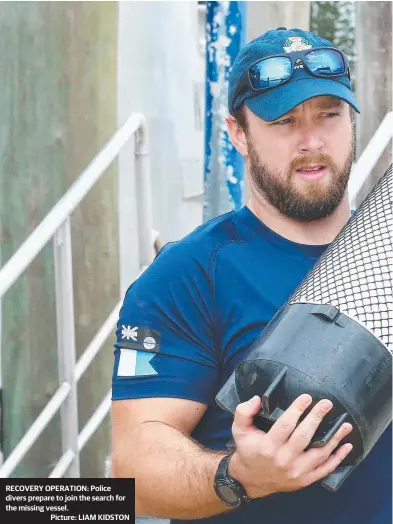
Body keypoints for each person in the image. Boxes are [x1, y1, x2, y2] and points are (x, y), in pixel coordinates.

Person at [111, 27, 391, 524]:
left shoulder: (382, 254)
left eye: (329, 115)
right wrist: (238, 476)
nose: (311, 140)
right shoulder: (191, 273)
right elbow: (134, 473)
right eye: (283, 120)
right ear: (238, 133)